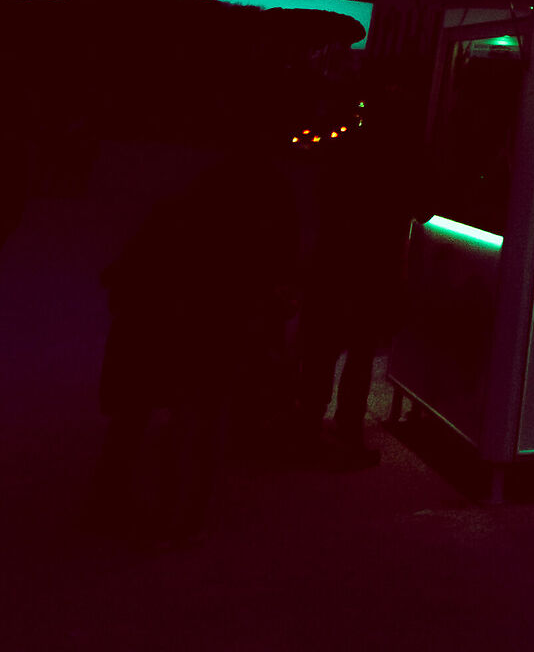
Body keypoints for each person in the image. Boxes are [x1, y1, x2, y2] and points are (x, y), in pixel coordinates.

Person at [89, 144, 298, 536]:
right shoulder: (256, 215)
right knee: (200, 414)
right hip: (206, 327)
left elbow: (128, 268)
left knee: (145, 412)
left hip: (160, 323)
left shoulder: (184, 206)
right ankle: (181, 514)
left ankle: (125, 504)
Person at [291, 124, 408, 468]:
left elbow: (319, 200)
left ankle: (310, 427)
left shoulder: (341, 157)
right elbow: (422, 206)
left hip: (335, 263)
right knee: (359, 352)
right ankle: (346, 431)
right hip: (371, 266)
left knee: (323, 350)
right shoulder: (396, 161)